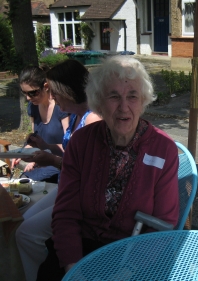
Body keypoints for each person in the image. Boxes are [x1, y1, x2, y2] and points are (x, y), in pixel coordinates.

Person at [36, 56, 180, 281]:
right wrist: (73, 268)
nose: (124, 107)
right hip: (83, 250)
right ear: (99, 102)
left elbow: (164, 224)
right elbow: (66, 213)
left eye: (132, 96)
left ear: (142, 101)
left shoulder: (164, 149)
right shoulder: (81, 143)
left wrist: (127, 272)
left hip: (137, 253)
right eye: (114, 96)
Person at [15, 59, 101, 281]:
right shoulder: (75, 116)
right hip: (68, 187)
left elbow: (88, 173)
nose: (51, 97)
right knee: (23, 220)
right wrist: (45, 147)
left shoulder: (93, 120)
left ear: (68, 90)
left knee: (26, 234)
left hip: (80, 196)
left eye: (54, 92)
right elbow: (70, 151)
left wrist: (51, 160)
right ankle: (47, 262)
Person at [12, 66, 70, 182]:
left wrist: (44, 152)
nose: (28, 98)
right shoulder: (33, 106)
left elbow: (70, 146)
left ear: (46, 87)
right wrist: (22, 152)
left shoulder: (61, 107)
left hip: (59, 163)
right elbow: (35, 141)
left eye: (33, 93)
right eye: (25, 93)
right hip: (41, 161)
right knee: (21, 185)